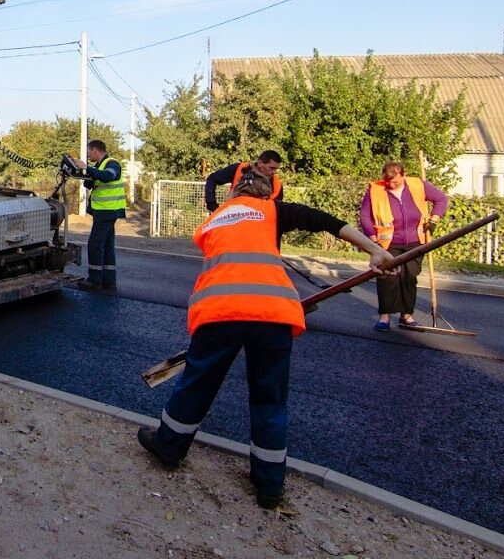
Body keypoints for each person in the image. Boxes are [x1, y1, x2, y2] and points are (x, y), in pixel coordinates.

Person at [137, 168, 391, 509]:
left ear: (232, 194)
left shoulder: (213, 221)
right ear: (268, 195)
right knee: (270, 398)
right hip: (273, 313)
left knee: (198, 383)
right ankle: (269, 484)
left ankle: (169, 446)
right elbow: (327, 222)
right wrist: (374, 250)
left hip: (220, 311)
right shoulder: (274, 212)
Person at [359, 161, 448, 331]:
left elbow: (441, 199)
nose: (391, 185)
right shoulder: (375, 190)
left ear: (403, 176)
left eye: (396, 182)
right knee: (387, 278)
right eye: (388, 182)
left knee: (409, 278)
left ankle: (406, 315)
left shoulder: (417, 185)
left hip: (415, 242)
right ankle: (384, 316)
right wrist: (373, 240)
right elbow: (365, 217)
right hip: (387, 244)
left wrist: (434, 219)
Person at [69, 139, 125, 291]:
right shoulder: (99, 166)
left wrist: (86, 167)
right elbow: (90, 183)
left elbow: (108, 176)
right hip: (105, 211)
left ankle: (94, 281)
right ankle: (108, 281)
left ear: (95, 150)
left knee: (95, 245)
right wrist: (83, 173)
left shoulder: (112, 163)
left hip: (107, 211)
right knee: (106, 246)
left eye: (88, 152)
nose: (88, 155)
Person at [204, 151, 284, 212]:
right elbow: (212, 179)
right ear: (260, 163)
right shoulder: (240, 169)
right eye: (271, 168)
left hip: (258, 227)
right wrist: (212, 204)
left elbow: (276, 213)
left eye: (276, 169)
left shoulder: (277, 186)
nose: (274, 172)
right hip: (233, 219)